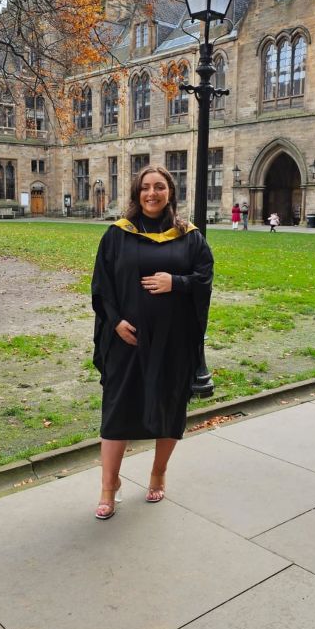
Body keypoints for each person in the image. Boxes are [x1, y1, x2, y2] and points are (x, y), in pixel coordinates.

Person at [91, 165, 214, 520]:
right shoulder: (117, 235)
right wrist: (115, 324)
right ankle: (108, 486)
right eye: (145, 187)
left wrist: (175, 282)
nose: (152, 193)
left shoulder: (189, 236)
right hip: (127, 341)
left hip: (173, 340)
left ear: (170, 193)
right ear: (136, 193)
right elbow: (102, 287)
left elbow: (204, 277)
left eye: (160, 187)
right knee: (116, 412)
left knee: (169, 406)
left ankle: (158, 472)